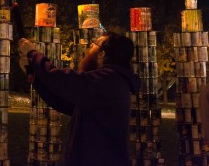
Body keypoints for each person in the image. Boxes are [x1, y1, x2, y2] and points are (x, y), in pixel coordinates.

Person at [19, 31, 140, 166]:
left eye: (95, 45)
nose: (90, 47)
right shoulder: (110, 81)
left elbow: (63, 80)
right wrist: (36, 79)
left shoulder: (108, 80)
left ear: (102, 54)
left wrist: (32, 54)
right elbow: (66, 103)